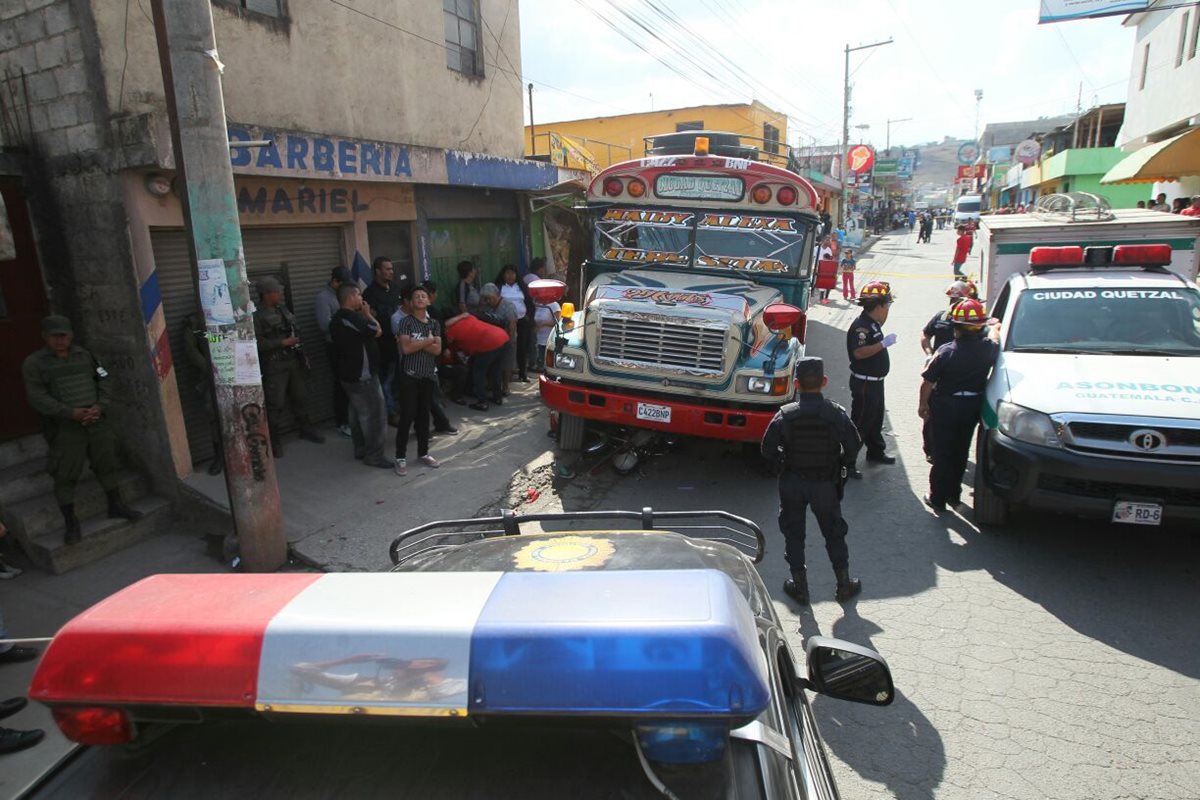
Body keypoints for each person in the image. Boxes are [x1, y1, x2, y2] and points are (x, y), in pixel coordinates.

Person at [22, 315, 142, 543]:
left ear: (71, 335)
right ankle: (71, 522)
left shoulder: (86, 356)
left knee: (106, 463)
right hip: (66, 427)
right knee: (65, 474)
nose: (60, 341)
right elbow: (36, 397)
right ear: (44, 337)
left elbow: (105, 379)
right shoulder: (35, 363)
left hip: (96, 421)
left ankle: (116, 505)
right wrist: (70, 412)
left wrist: (99, 406)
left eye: (63, 336)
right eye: (54, 336)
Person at [761, 357, 863, 604]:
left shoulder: (785, 416)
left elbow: (767, 448)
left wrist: (781, 465)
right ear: (824, 381)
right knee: (834, 533)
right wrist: (843, 464)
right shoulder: (835, 414)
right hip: (825, 484)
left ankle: (800, 588)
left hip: (792, 482)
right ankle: (844, 585)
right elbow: (854, 444)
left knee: (794, 534)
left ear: (796, 384)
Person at [918, 299, 1000, 512]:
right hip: (972, 406)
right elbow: (995, 338)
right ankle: (954, 496)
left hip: (946, 406)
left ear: (957, 328)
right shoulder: (989, 350)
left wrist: (922, 406)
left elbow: (927, 382)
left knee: (942, 452)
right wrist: (994, 328)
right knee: (960, 451)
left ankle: (937, 498)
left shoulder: (946, 352)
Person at [253, 277, 325, 457]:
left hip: (293, 360)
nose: (279, 294)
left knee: (300, 396)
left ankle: (305, 427)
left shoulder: (282, 310)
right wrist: (282, 342)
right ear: (267, 294)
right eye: (276, 291)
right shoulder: (256, 316)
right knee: (275, 402)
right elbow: (257, 343)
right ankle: (274, 438)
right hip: (275, 364)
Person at [329, 284, 392, 469]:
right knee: (375, 415)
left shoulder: (337, 319)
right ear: (351, 297)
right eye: (358, 294)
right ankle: (374, 455)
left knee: (357, 412)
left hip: (350, 375)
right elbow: (377, 330)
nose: (361, 298)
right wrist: (368, 313)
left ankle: (361, 448)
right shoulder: (351, 318)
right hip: (362, 376)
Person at [846, 282, 898, 478]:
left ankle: (876, 452)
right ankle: (847, 462)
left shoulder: (872, 323)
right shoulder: (862, 327)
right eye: (887, 305)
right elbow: (859, 352)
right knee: (861, 422)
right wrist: (883, 344)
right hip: (865, 383)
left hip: (875, 381)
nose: (888, 310)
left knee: (875, 420)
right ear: (879, 306)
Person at [393, 285, 443, 476]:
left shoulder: (434, 324)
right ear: (410, 302)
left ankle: (423, 453)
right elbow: (405, 349)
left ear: (429, 301)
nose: (421, 298)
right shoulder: (405, 322)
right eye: (416, 296)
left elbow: (437, 350)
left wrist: (419, 343)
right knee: (407, 416)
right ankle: (400, 457)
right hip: (409, 376)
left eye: (424, 296)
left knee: (424, 416)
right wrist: (428, 341)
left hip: (428, 375)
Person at [919, 281, 970, 462]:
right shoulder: (940, 317)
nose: (953, 303)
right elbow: (925, 334)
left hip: (960, 375)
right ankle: (931, 450)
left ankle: (952, 450)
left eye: (956, 299)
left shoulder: (971, 322)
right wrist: (929, 354)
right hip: (938, 372)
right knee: (930, 417)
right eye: (952, 299)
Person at [363, 257, 406, 425]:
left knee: (398, 379)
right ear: (378, 271)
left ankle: (398, 406)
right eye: (387, 269)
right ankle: (390, 412)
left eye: (391, 268)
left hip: (400, 342)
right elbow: (370, 319)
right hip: (383, 346)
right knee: (386, 380)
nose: (391, 272)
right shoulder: (370, 293)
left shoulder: (396, 288)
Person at [182, 311, 225, 475]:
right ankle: (219, 455)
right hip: (211, 378)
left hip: (232, 372)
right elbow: (192, 351)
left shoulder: (227, 314)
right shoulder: (195, 323)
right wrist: (211, 370)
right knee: (215, 417)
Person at [444, 309, 509, 411]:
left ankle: (482, 402)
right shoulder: (468, 317)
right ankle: (497, 397)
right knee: (495, 371)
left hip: (488, 344)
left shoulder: (450, 330)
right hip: (502, 337)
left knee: (478, 372)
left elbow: (447, 339)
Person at [315, 266, 353, 438]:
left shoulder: (344, 295)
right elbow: (325, 325)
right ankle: (342, 422)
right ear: (335, 281)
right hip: (335, 346)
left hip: (350, 345)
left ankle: (353, 418)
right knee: (340, 384)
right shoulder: (324, 298)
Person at [421, 282, 457, 435]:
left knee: (432, 393)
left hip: (430, 360)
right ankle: (428, 426)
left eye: (423, 296)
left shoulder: (432, 313)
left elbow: (438, 337)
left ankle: (440, 423)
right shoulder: (407, 319)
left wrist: (442, 347)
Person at [477, 283, 517, 397]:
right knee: (493, 363)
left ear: (497, 295)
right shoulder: (486, 305)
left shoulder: (508, 305)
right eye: (486, 298)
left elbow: (512, 324)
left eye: (490, 298)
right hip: (492, 339)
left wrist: (508, 340)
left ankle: (505, 386)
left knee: (506, 363)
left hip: (507, 336)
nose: (488, 301)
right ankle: (492, 385)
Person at [496, 264, 534, 383]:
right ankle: (506, 374)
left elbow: (529, 303)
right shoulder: (499, 287)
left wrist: (528, 316)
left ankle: (523, 373)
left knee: (522, 347)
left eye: (512, 273)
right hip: (505, 322)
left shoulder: (522, 287)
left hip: (522, 320)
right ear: (503, 275)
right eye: (507, 273)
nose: (510, 276)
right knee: (507, 347)